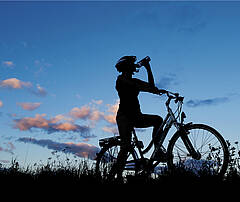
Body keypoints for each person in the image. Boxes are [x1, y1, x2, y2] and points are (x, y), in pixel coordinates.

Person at [109, 55, 167, 180]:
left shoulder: (134, 82)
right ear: (126, 67)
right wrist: (149, 86)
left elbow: (150, 86)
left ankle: (158, 151)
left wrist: (148, 68)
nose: (133, 67)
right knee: (125, 148)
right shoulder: (121, 80)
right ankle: (112, 176)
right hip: (124, 118)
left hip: (136, 116)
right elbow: (133, 84)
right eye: (131, 65)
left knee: (158, 120)